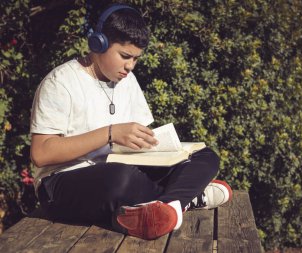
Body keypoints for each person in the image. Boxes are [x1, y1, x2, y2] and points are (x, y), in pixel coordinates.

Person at [30, 4, 232, 240]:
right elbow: (42, 153)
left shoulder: (128, 81)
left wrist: (156, 148)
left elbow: (134, 140)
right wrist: (110, 133)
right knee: (120, 178)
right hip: (62, 184)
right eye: (125, 56)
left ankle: (167, 208)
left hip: (120, 169)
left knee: (205, 155)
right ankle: (188, 198)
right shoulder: (60, 82)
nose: (130, 66)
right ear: (99, 44)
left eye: (136, 59)